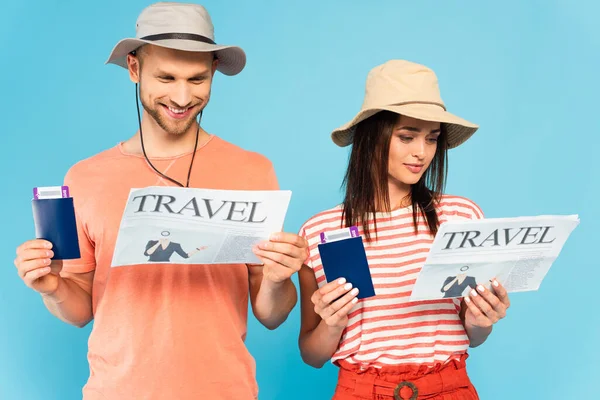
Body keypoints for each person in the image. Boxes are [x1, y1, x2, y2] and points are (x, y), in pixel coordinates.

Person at [13, 3, 306, 400]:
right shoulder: (84, 178)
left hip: (225, 390)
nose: (182, 96)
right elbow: (80, 310)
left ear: (214, 74)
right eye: (166, 77)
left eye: (198, 78)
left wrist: (277, 277)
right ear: (134, 69)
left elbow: (272, 315)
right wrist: (50, 287)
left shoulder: (253, 171)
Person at [297, 60, 511, 400]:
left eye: (432, 138)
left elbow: (473, 335)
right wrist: (333, 322)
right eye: (407, 136)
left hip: (447, 387)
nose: (421, 152)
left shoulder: (459, 216)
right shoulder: (320, 231)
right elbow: (311, 355)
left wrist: (482, 319)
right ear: (372, 136)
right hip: (360, 390)